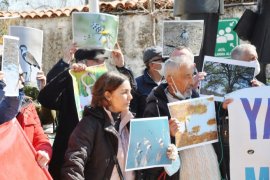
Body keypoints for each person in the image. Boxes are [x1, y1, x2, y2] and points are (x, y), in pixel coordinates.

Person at [38, 46, 136, 180]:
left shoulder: (107, 84)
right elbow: (45, 98)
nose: (101, 65)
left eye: (103, 61)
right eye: (96, 61)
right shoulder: (70, 82)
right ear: (83, 62)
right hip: (70, 152)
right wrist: (69, 71)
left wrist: (122, 67)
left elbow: (132, 96)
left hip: (101, 158)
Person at [138, 55, 220, 179]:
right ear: (170, 80)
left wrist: (222, 109)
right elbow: (150, 159)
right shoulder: (155, 108)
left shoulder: (197, 97)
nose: (192, 82)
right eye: (187, 76)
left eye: (192, 75)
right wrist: (169, 135)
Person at [61, 71, 134, 179]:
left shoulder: (131, 122)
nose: (130, 97)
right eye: (124, 92)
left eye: (130, 92)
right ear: (108, 95)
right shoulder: (89, 124)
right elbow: (74, 164)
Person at [214, 43, 264, 179]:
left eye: (256, 58)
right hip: (232, 150)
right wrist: (223, 109)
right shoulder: (219, 90)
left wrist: (262, 94)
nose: (256, 62)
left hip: (259, 149)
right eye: (251, 59)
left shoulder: (262, 87)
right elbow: (211, 121)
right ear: (236, 63)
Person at [0, 71, 52, 168]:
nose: (22, 80)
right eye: (17, 76)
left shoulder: (28, 106)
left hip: (25, 170)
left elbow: (41, 137)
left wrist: (44, 151)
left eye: (21, 76)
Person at [134, 46, 167, 118]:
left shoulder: (170, 82)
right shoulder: (137, 84)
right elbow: (133, 114)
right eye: (163, 59)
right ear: (152, 64)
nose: (167, 62)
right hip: (147, 128)